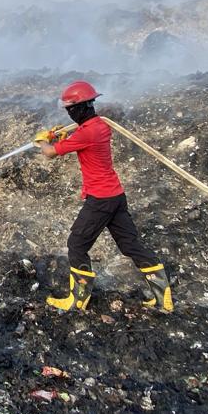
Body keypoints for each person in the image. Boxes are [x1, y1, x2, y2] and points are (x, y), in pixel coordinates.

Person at [34, 80, 173, 313]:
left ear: (80, 107)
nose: (69, 113)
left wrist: (41, 141)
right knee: (130, 245)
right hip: (115, 195)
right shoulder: (98, 126)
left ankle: (77, 300)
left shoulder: (87, 132)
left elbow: (49, 153)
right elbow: (76, 142)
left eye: (70, 109)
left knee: (77, 244)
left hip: (100, 199)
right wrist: (59, 138)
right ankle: (163, 299)